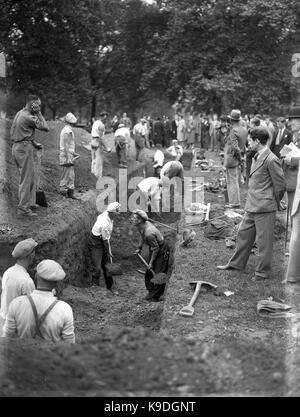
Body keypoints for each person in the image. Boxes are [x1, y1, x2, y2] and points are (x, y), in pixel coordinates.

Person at [217, 127, 286, 281]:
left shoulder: (271, 159)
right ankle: (236, 264)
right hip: (252, 204)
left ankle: (263, 272)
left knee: (264, 242)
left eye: (250, 140)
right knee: (243, 234)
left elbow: (280, 185)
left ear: (256, 141)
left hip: (264, 207)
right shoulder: (256, 156)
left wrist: (274, 201)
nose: (248, 143)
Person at [3, 260, 75, 344]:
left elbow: (7, 337)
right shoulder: (65, 309)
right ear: (56, 283)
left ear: (36, 276)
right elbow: (69, 343)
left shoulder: (16, 304)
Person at [11, 94, 49, 217]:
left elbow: (16, 131)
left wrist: (32, 142)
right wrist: (39, 113)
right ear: (32, 104)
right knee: (26, 179)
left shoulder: (20, 113)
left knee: (30, 177)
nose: (39, 107)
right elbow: (45, 127)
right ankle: (23, 209)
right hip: (24, 148)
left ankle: (30, 203)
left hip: (19, 146)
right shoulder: (28, 117)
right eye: (38, 105)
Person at [131, 209, 170, 302]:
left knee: (158, 273)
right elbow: (142, 235)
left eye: (133, 218)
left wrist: (151, 262)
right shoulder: (142, 226)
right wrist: (139, 247)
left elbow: (156, 248)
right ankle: (151, 292)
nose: (131, 219)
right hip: (154, 248)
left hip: (161, 250)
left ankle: (156, 296)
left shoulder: (149, 232)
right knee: (149, 272)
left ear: (140, 220)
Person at [0, 238, 37, 336]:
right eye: (34, 251)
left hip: (3, 322)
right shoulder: (26, 281)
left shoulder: (8, 272)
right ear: (31, 255)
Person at [88, 202, 121, 295]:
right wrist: (109, 252)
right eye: (117, 212)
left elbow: (106, 239)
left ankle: (110, 286)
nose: (119, 213)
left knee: (107, 266)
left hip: (103, 240)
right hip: (96, 243)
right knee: (97, 268)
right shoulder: (105, 223)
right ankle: (95, 288)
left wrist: (107, 251)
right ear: (112, 212)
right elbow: (105, 241)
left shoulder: (108, 215)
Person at [224, 109, 248, 208]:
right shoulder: (244, 129)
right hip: (238, 157)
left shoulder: (233, 130)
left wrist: (240, 158)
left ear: (231, 120)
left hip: (232, 158)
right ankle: (235, 202)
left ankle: (234, 203)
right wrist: (241, 158)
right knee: (235, 180)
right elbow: (242, 146)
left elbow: (234, 147)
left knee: (231, 181)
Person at [59, 112, 79, 199]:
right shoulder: (68, 131)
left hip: (68, 153)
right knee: (68, 173)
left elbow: (67, 145)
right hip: (67, 154)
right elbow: (66, 145)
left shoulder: (66, 129)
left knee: (69, 173)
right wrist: (68, 157)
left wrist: (73, 153)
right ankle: (65, 191)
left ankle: (68, 191)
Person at [90, 111, 111, 179]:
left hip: (93, 141)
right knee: (99, 160)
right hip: (98, 141)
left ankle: (92, 174)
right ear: (101, 117)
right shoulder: (101, 125)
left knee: (94, 159)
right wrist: (107, 147)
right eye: (105, 118)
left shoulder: (95, 123)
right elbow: (100, 137)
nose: (105, 120)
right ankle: (98, 177)